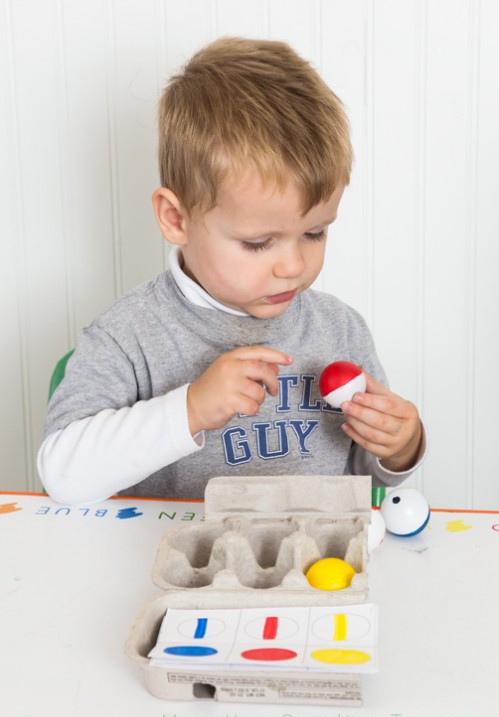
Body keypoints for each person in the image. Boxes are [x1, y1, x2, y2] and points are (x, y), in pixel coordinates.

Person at [38, 37, 425, 505]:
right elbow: (62, 476)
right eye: (258, 243)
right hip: (183, 573)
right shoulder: (129, 335)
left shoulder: (338, 330)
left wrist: (400, 446)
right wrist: (190, 408)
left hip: (316, 572)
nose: (293, 266)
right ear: (176, 219)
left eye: (316, 233)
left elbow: (366, 472)